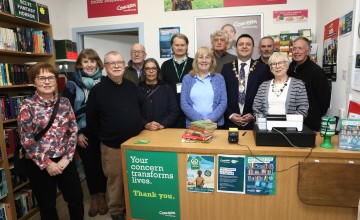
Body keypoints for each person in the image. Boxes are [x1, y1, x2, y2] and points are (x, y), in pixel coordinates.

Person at [17, 62, 84, 220]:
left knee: (76, 199)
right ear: (34, 82)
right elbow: (27, 140)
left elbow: (73, 131)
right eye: (41, 78)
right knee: (47, 207)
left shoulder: (65, 103)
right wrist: (48, 164)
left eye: (50, 78)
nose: (47, 82)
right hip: (40, 164)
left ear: (56, 81)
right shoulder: (27, 106)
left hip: (65, 161)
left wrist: (67, 159)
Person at [86, 51, 144, 220]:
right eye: (112, 63)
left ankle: (132, 208)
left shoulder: (131, 86)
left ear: (125, 65)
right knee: (116, 182)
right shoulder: (97, 91)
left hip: (135, 145)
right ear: (105, 67)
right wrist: (107, 135)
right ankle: (117, 212)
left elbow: (138, 111)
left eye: (120, 62)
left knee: (135, 180)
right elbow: (92, 122)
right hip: (112, 146)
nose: (117, 66)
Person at [62, 48, 108, 217]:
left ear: (98, 63)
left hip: (102, 132)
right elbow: (66, 111)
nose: (89, 65)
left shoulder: (104, 81)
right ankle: (94, 196)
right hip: (82, 133)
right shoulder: (72, 83)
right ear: (80, 64)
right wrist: (77, 134)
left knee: (102, 166)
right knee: (89, 166)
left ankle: (102, 196)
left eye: (92, 61)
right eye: (85, 61)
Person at [221, 34, 271, 130]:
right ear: (236, 48)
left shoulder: (263, 69)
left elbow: (265, 96)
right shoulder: (226, 68)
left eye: (248, 44)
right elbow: (222, 95)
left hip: (254, 123)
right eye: (241, 44)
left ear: (253, 48)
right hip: (230, 122)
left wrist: (253, 114)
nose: (244, 46)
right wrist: (230, 115)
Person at [288, 37, 330, 131]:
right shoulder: (290, 68)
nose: (296, 51)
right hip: (291, 120)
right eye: (294, 49)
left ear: (308, 51)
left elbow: (324, 101)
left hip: (309, 123)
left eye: (300, 48)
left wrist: (312, 114)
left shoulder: (316, 71)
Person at [181, 47, 227, 128]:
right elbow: (184, 103)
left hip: (215, 125)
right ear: (196, 61)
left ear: (212, 61)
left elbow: (223, 102)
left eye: (207, 57)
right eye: (201, 57)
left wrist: (210, 120)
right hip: (193, 125)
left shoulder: (219, 78)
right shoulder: (187, 78)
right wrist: (200, 121)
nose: (204, 60)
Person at [253, 52, 309, 119]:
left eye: (280, 63)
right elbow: (256, 108)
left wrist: (285, 122)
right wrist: (266, 122)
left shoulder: (298, 85)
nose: (277, 66)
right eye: (273, 64)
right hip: (267, 127)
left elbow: (303, 110)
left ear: (287, 65)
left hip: (290, 128)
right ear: (271, 68)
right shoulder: (263, 86)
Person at [161, 33, 194, 128]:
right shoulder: (165, 65)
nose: (180, 48)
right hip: (171, 110)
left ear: (187, 46)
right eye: (177, 45)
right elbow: (163, 89)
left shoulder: (194, 63)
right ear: (172, 46)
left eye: (182, 45)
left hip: (191, 109)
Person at [138, 58, 179, 130]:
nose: (151, 71)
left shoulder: (166, 88)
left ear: (157, 71)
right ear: (144, 72)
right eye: (147, 69)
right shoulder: (138, 88)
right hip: (144, 130)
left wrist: (162, 124)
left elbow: (174, 111)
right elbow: (135, 111)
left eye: (154, 68)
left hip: (164, 129)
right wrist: (145, 124)